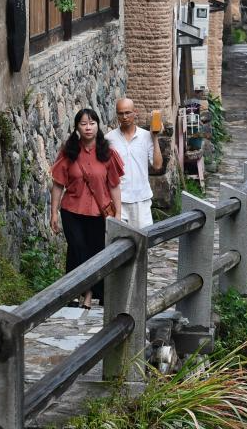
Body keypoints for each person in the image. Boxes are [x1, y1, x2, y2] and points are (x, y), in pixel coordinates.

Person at [50, 108, 124, 310]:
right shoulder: (68, 152)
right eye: (83, 124)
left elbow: (114, 185)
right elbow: (58, 184)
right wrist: (53, 212)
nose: (88, 127)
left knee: (95, 251)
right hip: (72, 210)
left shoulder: (107, 153)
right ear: (77, 127)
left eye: (92, 123)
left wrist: (118, 213)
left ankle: (83, 292)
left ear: (98, 126)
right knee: (77, 247)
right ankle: (84, 292)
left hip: (99, 212)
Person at [105, 98, 163, 230]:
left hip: (141, 199)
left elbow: (157, 165)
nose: (124, 117)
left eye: (127, 112)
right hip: (118, 200)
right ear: (116, 114)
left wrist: (155, 138)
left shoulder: (146, 136)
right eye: (120, 113)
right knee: (119, 241)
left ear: (135, 112)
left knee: (143, 239)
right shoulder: (109, 139)